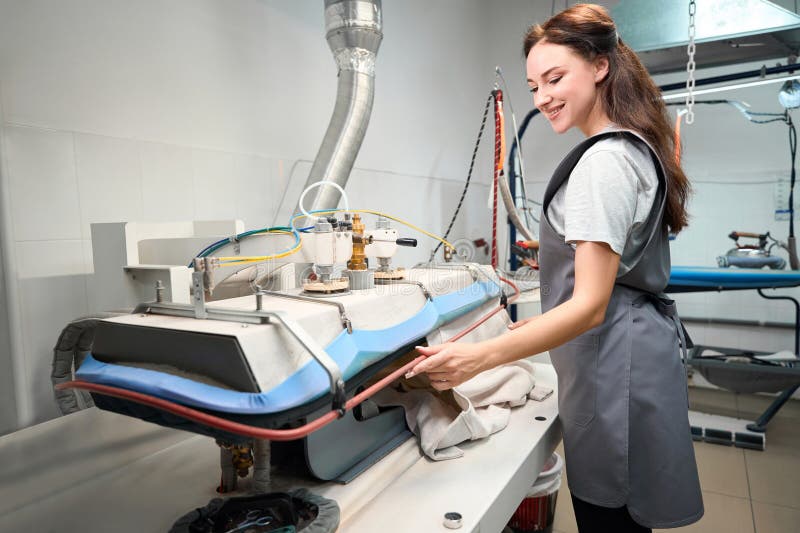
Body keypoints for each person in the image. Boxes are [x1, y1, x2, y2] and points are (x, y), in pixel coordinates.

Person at [406, 4, 704, 532]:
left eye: (555, 78)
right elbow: (612, 269)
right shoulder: (633, 149)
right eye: (534, 85)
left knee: (610, 517)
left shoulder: (603, 164)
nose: (542, 97)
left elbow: (589, 307)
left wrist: (476, 358)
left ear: (599, 66)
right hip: (630, 359)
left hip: (616, 368)